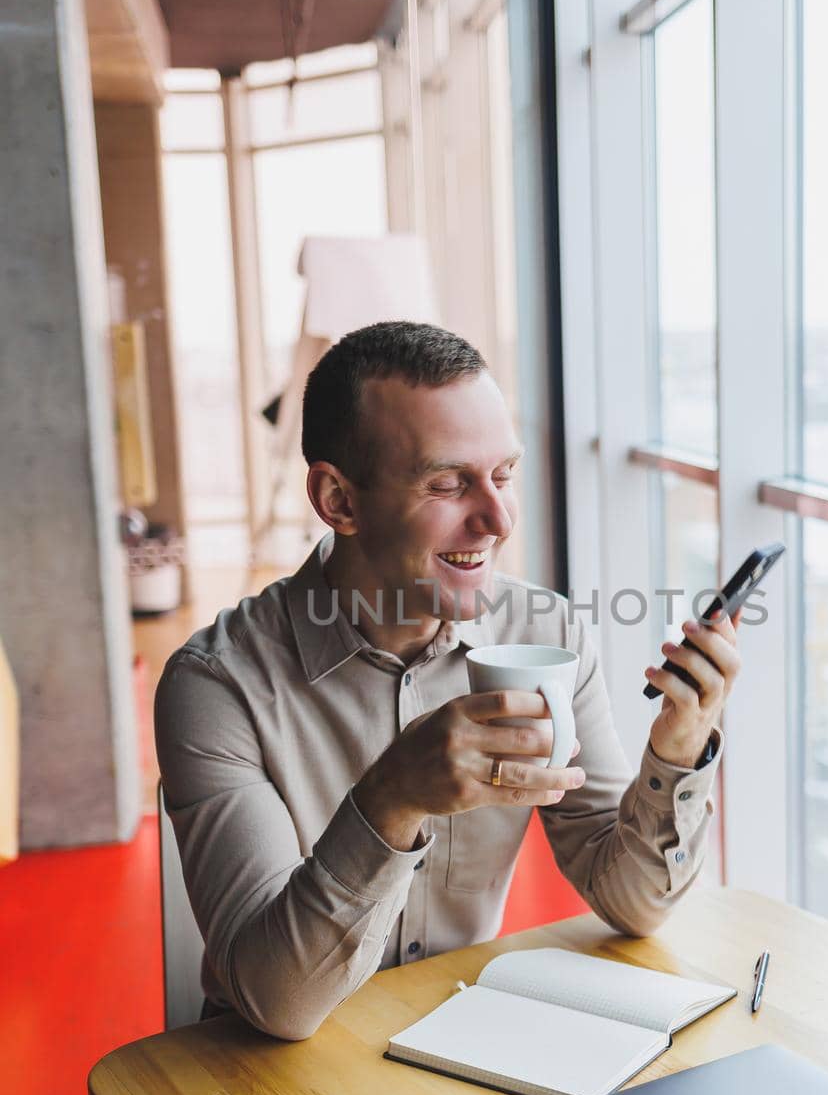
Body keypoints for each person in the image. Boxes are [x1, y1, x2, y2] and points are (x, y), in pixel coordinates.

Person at [156, 322, 741, 1039]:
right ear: (338, 500)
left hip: (458, 1038)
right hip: (272, 1078)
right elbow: (279, 1004)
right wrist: (391, 801)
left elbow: (633, 901)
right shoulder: (217, 685)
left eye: (502, 475)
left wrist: (678, 750)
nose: (496, 519)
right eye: (447, 483)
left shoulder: (546, 634)